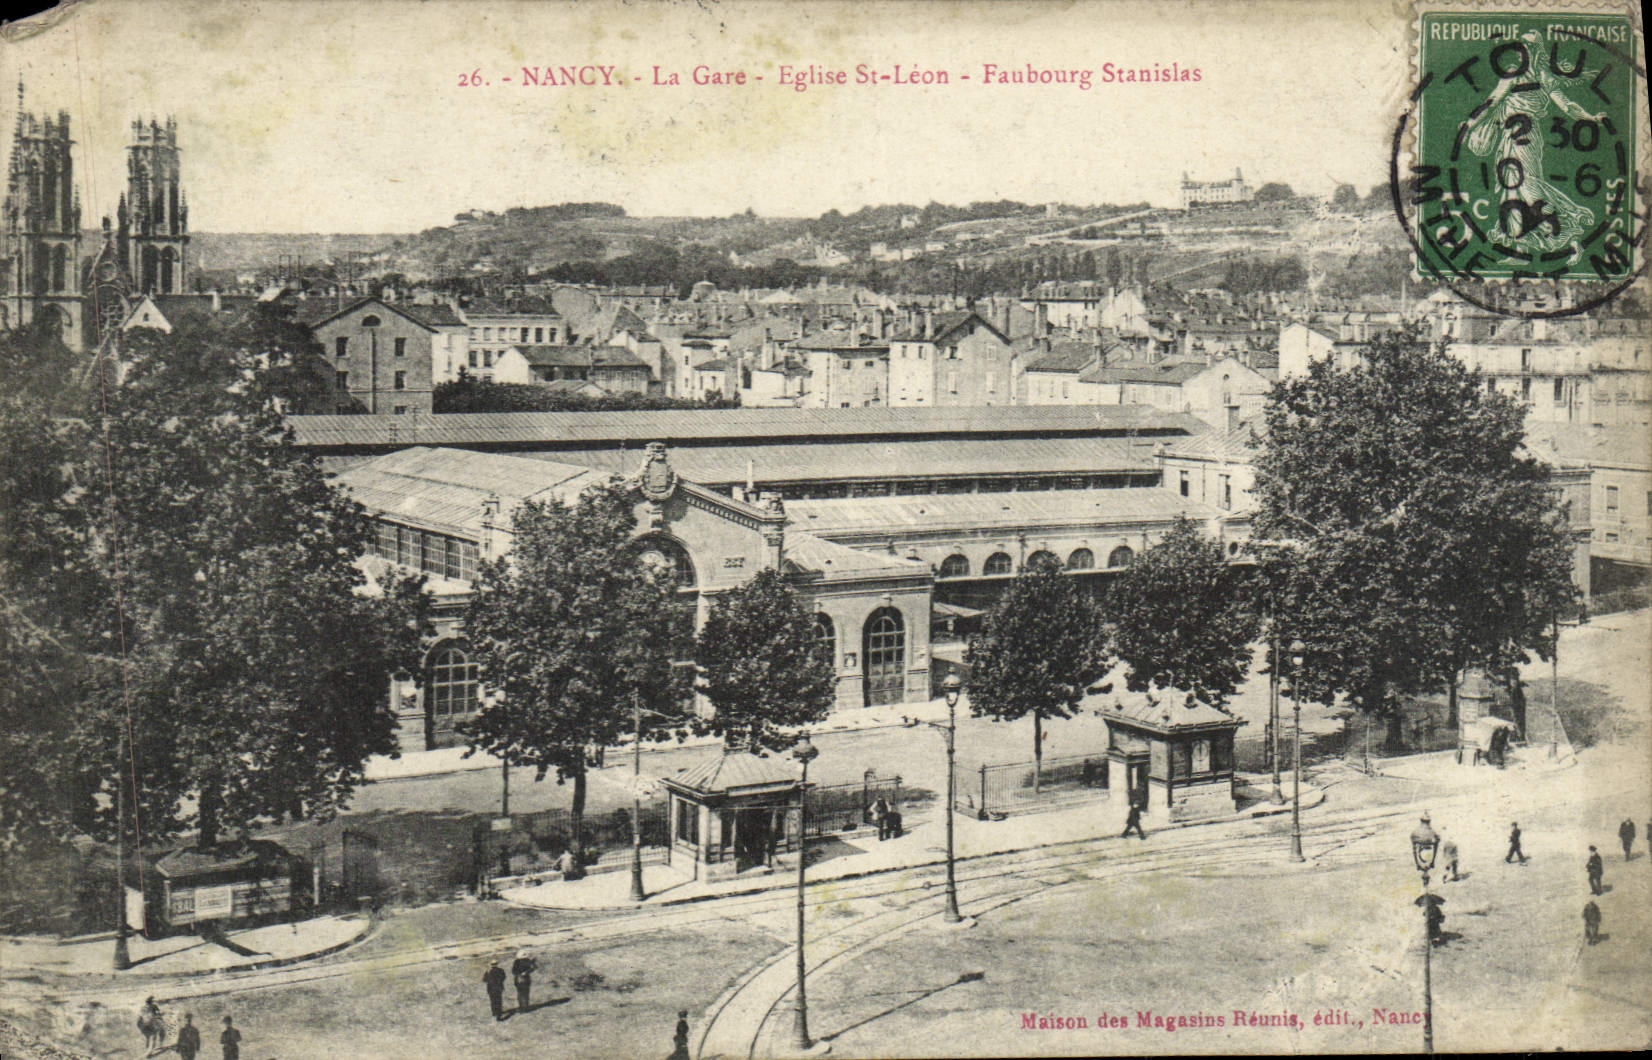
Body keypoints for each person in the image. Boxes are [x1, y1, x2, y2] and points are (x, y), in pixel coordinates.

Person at [511, 949, 538, 1014]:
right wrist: (526, 972)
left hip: (518, 980)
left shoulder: (516, 962)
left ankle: (521, 1007)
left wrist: (519, 974)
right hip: (526, 979)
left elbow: (513, 971)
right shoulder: (527, 961)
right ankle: (525, 1007)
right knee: (525, 994)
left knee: (520, 994)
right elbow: (534, 967)